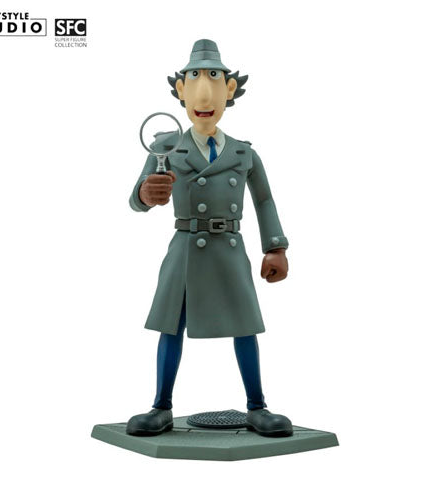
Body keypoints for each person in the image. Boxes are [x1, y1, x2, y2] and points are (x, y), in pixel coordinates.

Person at [126, 39, 293, 437]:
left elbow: (264, 200)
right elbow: (136, 198)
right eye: (195, 82)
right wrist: (147, 193)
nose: (205, 98)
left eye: (215, 81)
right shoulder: (167, 146)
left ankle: (257, 406)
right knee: (171, 324)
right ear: (180, 90)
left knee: (245, 325)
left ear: (229, 90)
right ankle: (161, 406)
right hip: (185, 247)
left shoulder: (243, 153)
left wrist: (275, 247)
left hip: (229, 247)